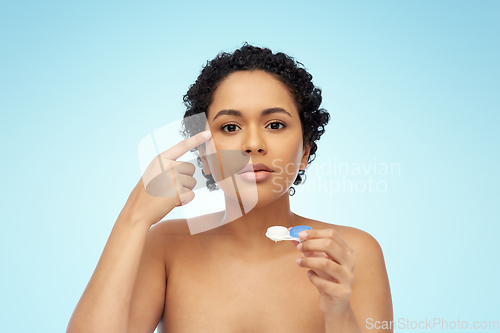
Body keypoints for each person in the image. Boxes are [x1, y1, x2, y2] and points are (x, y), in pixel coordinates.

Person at [67, 43, 393, 333]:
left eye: (275, 124)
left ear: (305, 150)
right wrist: (134, 217)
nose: (252, 144)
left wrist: (337, 312)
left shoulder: (349, 253)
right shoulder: (166, 247)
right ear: (204, 157)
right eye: (230, 126)